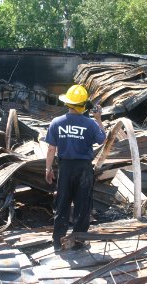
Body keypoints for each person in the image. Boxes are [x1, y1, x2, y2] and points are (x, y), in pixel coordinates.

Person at [44, 84, 106, 251]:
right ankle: (78, 242)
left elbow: (51, 149)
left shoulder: (56, 122)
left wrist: (48, 169)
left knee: (62, 203)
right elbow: (102, 139)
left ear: (68, 103)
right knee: (82, 204)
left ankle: (58, 242)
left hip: (64, 168)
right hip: (83, 169)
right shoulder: (90, 124)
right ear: (84, 105)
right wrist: (99, 119)